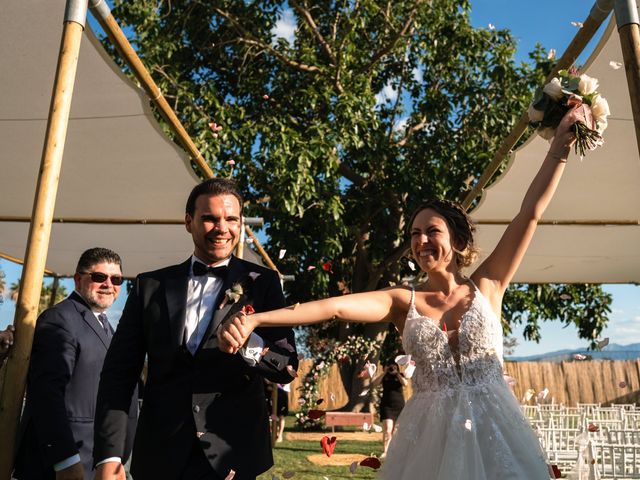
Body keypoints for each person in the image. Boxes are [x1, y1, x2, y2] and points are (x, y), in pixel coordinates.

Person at [218, 108, 583, 479]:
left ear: (456, 240)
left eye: (432, 231)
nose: (421, 240)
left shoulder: (488, 284)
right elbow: (334, 308)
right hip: (429, 443)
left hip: (497, 437)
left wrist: (560, 148)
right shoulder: (400, 301)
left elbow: (530, 214)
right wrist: (257, 318)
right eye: (414, 233)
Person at [93, 178, 298, 480]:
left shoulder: (263, 283)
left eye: (231, 219)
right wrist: (109, 454)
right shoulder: (150, 286)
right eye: (210, 218)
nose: (222, 228)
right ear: (188, 222)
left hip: (231, 456)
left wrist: (249, 344)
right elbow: (118, 374)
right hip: (159, 455)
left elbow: (287, 366)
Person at [13, 248, 137, 480]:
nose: (108, 284)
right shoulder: (59, 319)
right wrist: (65, 461)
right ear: (78, 279)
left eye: (116, 279)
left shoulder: (109, 329)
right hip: (66, 466)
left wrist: (115, 458)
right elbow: (46, 394)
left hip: (101, 463)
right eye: (99, 277)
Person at [372, 362, 407, 458]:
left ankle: (395, 451)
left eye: (394, 367)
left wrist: (397, 374)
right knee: (387, 429)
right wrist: (384, 373)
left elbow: (405, 383)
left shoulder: (400, 376)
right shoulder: (384, 376)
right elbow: (374, 383)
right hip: (387, 405)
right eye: (390, 367)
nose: (392, 369)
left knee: (396, 430)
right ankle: (386, 451)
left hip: (399, 406)